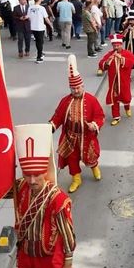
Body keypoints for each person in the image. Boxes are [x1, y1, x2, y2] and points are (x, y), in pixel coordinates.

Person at [12, 124, 75, 268]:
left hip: (47, 260)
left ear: (45, 172)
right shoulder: (21, 186)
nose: (32, 181)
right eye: (27, 175)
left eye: (37, 175)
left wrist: (68, 266)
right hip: (26, 257)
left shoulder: (58, 198)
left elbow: (68, 235)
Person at [50, 55, 105, 192]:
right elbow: (58, 116)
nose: (76, 90)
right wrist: (51, 126)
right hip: (70, 138)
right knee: (72, 159)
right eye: (73, 88)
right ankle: (76, 179)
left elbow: (100, 116)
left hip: (87, 136)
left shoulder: (92, 100)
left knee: (90, 156)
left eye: (78, 88)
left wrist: (95, 125)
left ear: (83, 86)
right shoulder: (65, 101)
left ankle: (94, 168)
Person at [98, 34, 134, 126]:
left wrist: (122, 58)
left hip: (124, 81)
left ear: (121, 45)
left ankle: (127, 107)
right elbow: (101, 64)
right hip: (113, 82)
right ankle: (116, 117)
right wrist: (107, 62)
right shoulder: (109, 54)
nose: (116, 47)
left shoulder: (127, 53)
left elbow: (133, 61)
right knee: (114, 99)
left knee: (126, 97)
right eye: (114, 46)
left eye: (118, 45)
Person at [28, 0, 51, 64]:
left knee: (37, 41)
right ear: (39, 0)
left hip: (33, 27)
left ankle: (40, 53)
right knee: (40, 42)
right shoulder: (42, 8)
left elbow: (29, 17)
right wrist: (50, 25)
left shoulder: (30, 8)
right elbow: (46, 18)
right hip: (40, 27)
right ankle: (39, 57)